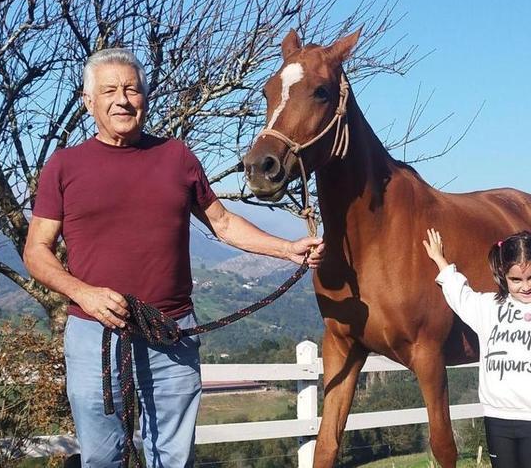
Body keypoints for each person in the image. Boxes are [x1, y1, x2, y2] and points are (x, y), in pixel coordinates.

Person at [23, 48, 325, 468]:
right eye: (109, 90)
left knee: (172, 459)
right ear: (88, 101)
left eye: (131, 89)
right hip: (94, 333)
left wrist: (286, 248)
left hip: (172, 331)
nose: (122, 100)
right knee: (101, 457)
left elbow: (222, 222)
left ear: (145, 97)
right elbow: (35, 250)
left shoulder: (176, 156)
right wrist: (83, 293)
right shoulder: (64, 166)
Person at [422, 229, 531, 468]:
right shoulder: (488, 308)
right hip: (497, 419)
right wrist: (440, 260)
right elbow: (460, 295)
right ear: (502, 276)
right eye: (516, 280)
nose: (525, 287)